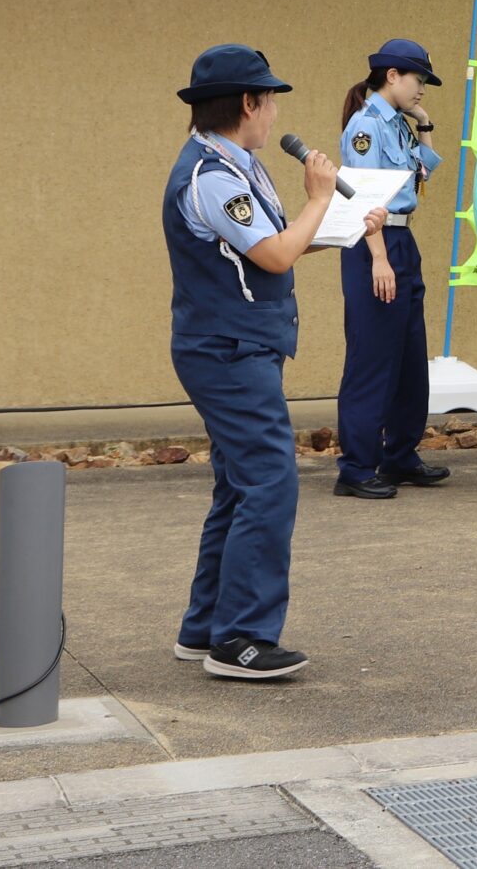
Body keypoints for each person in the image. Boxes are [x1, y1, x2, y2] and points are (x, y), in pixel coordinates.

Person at [166, 44, 383, 681]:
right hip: (227, 352)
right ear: (247, 104)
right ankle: (241, 639)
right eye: (269, 100)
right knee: (270, 482)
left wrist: (342, 222)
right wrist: (320, 194)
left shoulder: (238, 166)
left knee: (240, 484)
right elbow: (275, 257)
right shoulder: (212, 178)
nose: (274, 112)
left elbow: (279, 243)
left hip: (238, 347)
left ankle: (205, 627)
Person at [335, 39, 448, 499]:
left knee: (407, 358)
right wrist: (379, 257)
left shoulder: (398, 126)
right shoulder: (365, 128)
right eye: (419, 80)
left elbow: (421, 175)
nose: (422, 89)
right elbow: (364, 197)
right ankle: (357, 467)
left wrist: (423, 127)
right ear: (393, 76)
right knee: (373, 359)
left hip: (402, 240)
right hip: (374, 245)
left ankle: (400, 456)